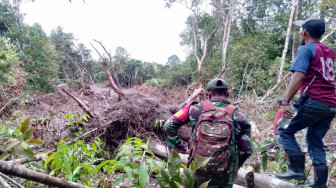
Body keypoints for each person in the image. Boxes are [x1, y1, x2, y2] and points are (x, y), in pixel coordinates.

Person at [276, 18, 336, 188]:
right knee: (314, 140)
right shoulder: (328, 51)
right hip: (331, 105)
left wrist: (286, 101)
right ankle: (319, 184)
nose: (300, 31)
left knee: (284, 129)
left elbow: (298, 76)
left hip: (314, 101)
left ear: (305, 32)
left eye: (301, 29)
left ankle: (297, 169)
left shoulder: (306, 49)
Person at [164, 78, 252, 188]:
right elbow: (247, 150)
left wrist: (180, 148)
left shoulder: (194, 108)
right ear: (228, 93)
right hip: (224, 174)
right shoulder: (239, 116)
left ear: (208, 94)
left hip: (197, 167)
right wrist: (232, 166)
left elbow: (168, 125)